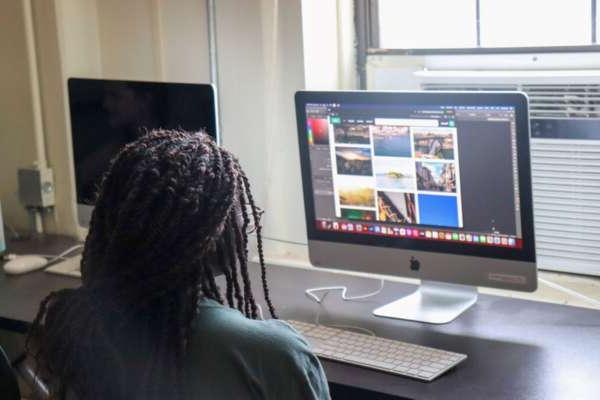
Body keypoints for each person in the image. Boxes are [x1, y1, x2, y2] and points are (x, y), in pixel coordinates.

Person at [26, 130, 330, 400]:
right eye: (238, 210)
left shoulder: (75, 326)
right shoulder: (273, 354)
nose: (246, 222)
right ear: (210, 234)